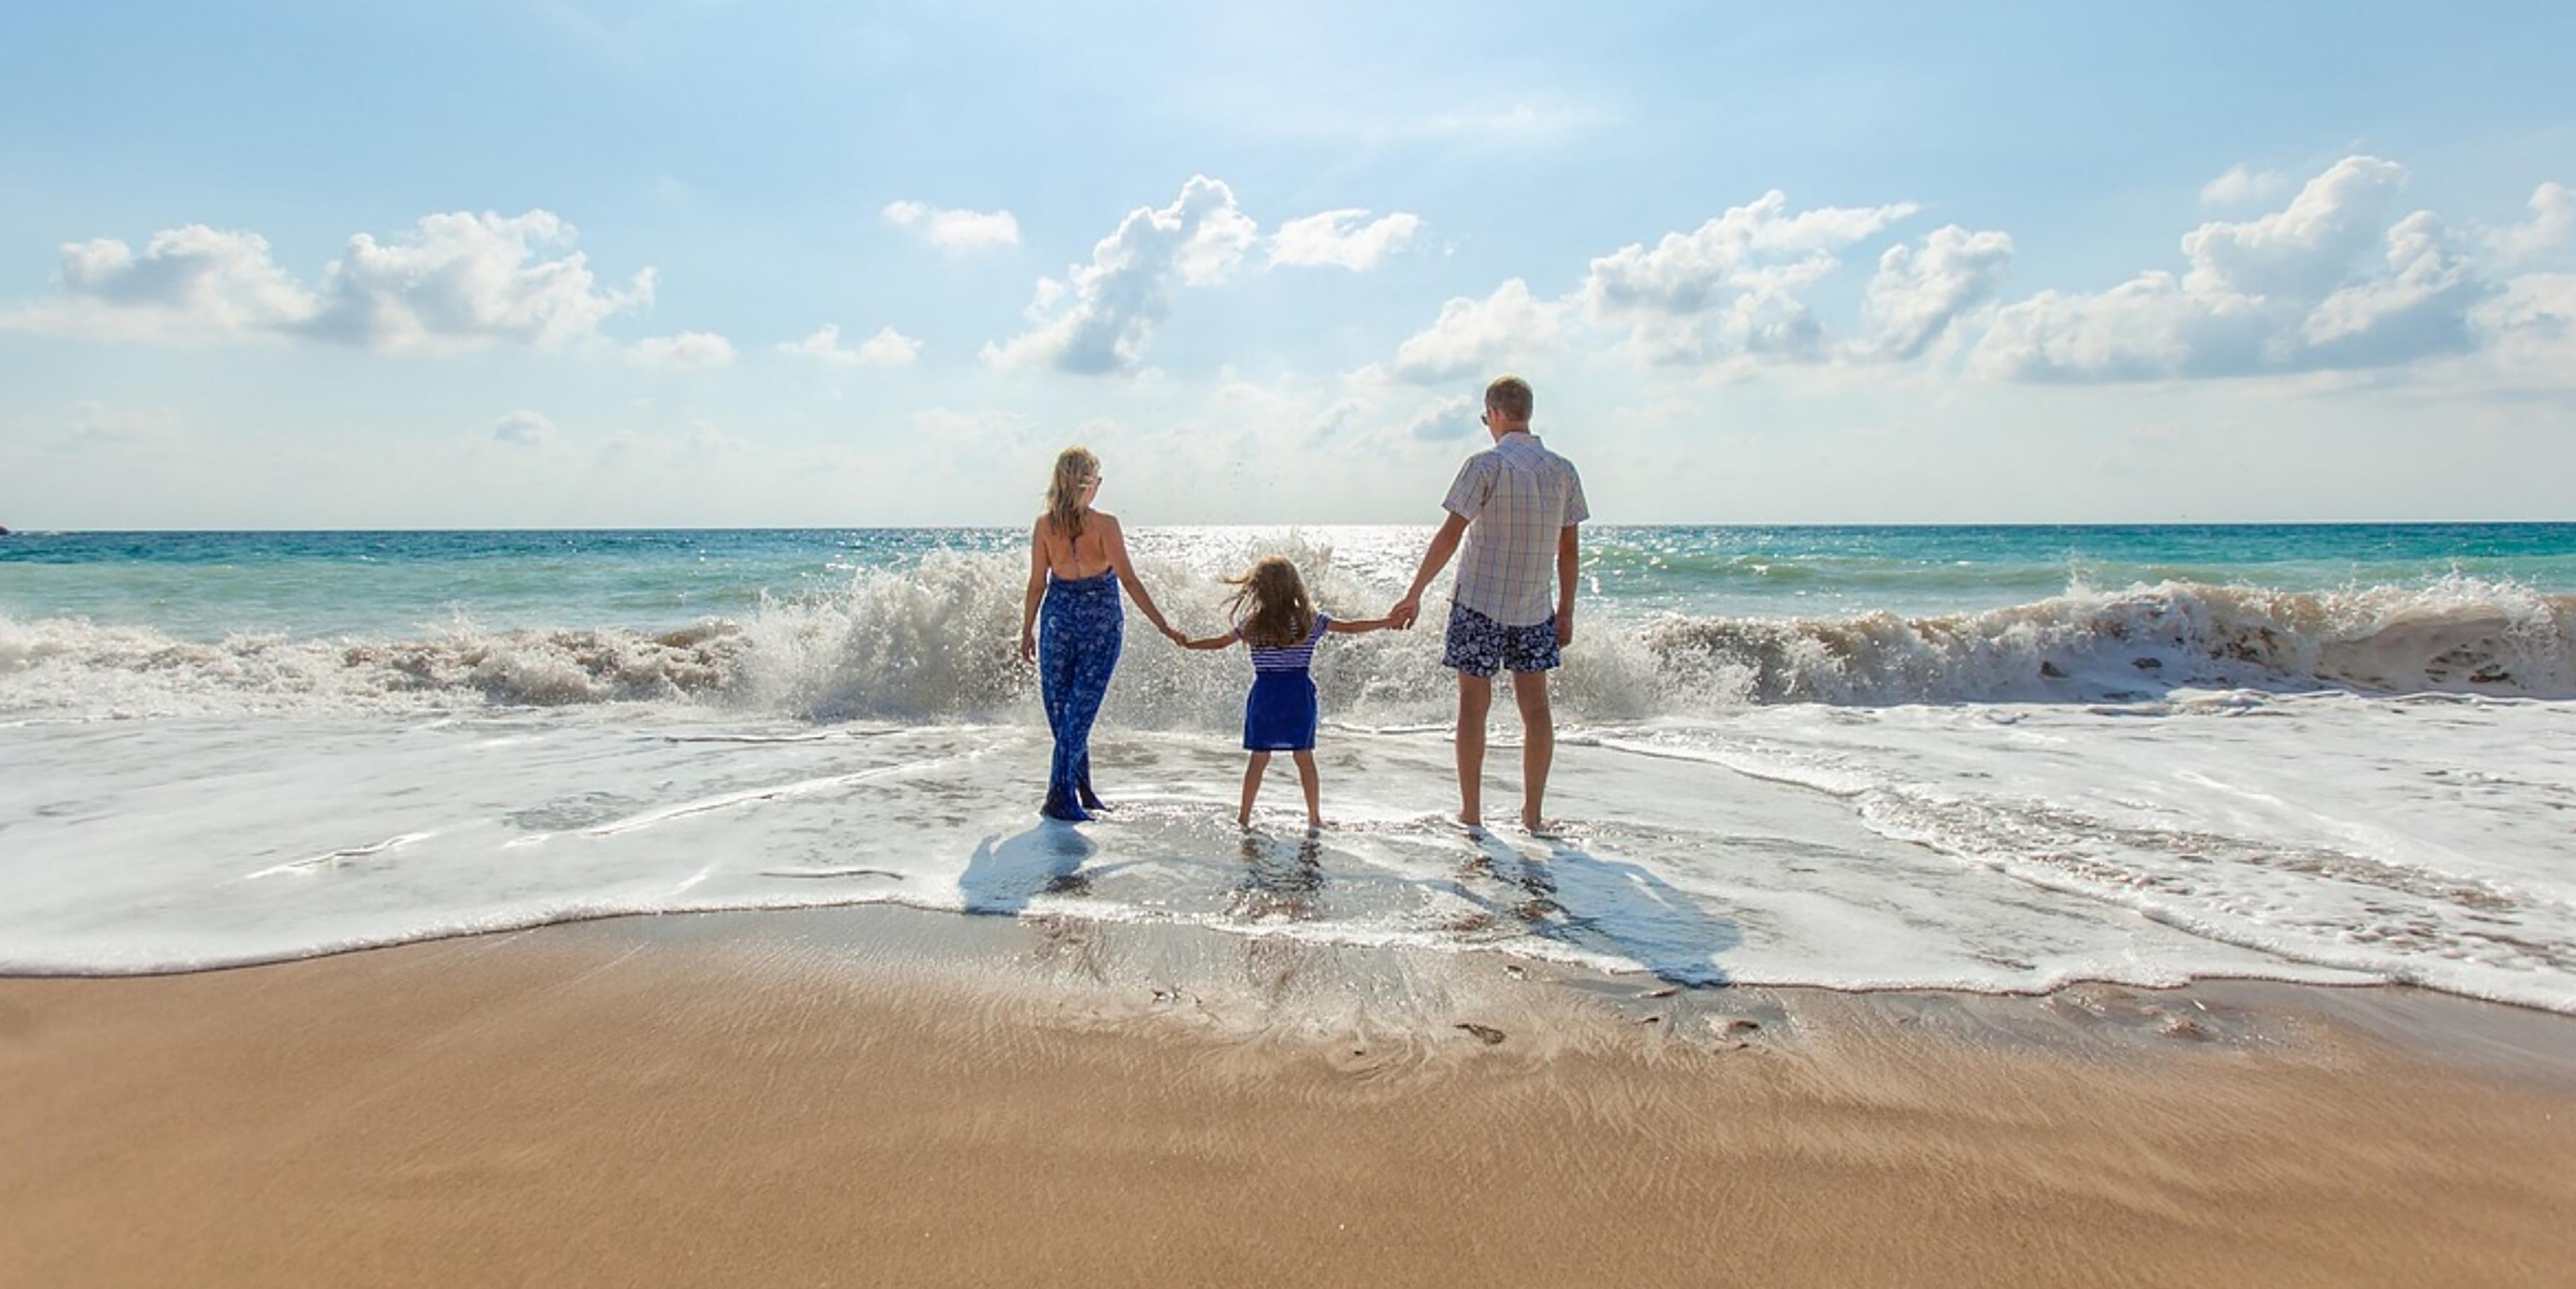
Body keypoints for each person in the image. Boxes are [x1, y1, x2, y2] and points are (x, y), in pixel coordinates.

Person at [1388, 375, 1589, 832]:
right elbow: (1569, 552)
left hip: (1478, 602)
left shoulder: (1484, 466)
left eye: (1486, 418)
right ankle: (1532, 816)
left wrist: (1414, 592)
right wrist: (1568, 610)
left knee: (1473, 708)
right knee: (1536, 710)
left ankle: (1472, 813)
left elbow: (1450, 535)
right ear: (1528, 413)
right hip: (1536, 607)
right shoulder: (1563, 470)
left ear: (1495, 414)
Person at [1019, 447, 1185, 822]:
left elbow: (1036, 585)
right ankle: (1060, 796)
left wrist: (1027, 629)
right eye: (1098, 479)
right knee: (1074, 714)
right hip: (1098, 623)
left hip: (1058, 620)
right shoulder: (1104, 525)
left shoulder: (1046, 525)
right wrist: (1163, 624)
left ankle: (1081, 791)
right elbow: (1128, 579)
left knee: (1069, 714)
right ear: (1089, 483)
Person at [1176, 555, 1398, 828]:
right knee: (1304, 757)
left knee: (1259, 758)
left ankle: (1244, 817)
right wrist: (1386, 622)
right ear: (1295, 586)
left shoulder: (1253, 623)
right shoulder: (1309, 621)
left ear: (1258, 589)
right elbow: (1350, 627)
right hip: (1297, 696)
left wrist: (1190, 644)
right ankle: (1314, 818)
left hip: (1266, 695)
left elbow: (1221, 642)